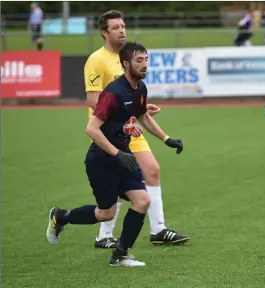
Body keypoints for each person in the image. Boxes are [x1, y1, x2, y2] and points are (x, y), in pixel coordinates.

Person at [46, 41, 185, 267]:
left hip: (124, 156)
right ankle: (61, 217)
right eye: (139, 61)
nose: (145, 65)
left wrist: (166, 139)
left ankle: (120, 255)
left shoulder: (140, 88)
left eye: (146, 60)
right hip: (102, 160)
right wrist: (116, 153)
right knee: (106, 213)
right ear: (125, 64)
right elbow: (91, 128)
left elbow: (142, 116)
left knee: (142, 201)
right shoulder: (113, 92)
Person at [84, 10, 189, 249]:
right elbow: (93, 99)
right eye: (115, 27)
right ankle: (104, 235)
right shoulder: (97, 59)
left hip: (131, 127)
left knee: (151, 170)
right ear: (104, 32)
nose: (122, 30)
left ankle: (159, 229)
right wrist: (124, 113)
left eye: (123, 25)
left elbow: (132, 102)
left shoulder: (130, 55)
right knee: (121, 177)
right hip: (110, 131)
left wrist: (162, 134)